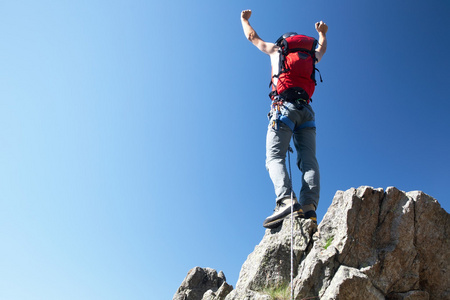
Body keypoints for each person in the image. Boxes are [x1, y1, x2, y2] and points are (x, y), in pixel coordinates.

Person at [240, 9, 328, 228]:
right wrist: (323, 33)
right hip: (307, 112)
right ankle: (309, 208)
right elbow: (322, 50)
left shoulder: (276, 50)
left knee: (275, 157)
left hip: (283, 108)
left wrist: (244, 20)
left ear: (285, 41)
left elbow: (253, 38)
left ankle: (285, 200)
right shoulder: (309, 56)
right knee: (309, 160)